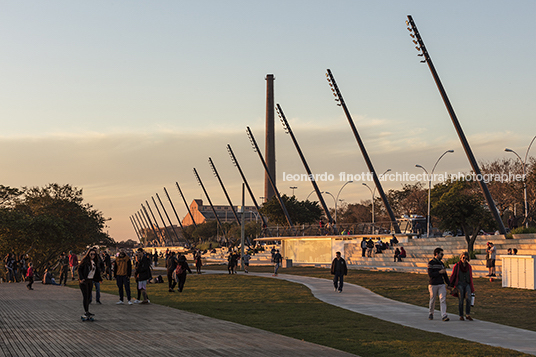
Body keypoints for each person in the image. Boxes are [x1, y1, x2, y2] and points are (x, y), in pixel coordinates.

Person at [449, 252, 475, 321]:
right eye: (463, 258)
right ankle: (461, 315)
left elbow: (470, 277)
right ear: (461, 258)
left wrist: (472, 287)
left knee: (468, 298)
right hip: (459, 283)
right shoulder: (457, 265)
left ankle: (467, 314)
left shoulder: (468, 266)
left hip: (467, 283)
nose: (464, 259)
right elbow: (453, 275)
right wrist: (450, 285)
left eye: (466, 258)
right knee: (461, 300)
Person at [77, 248, 101, 319]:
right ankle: (86, 311)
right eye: (91, 254)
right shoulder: (85, 261)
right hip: (85, 281)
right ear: (88, 254)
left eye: (94, 254)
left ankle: (87, 311)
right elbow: (79, 269)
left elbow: (96, 272)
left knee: (89, 297)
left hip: (90, 281)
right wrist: (81, 278)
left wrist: (99, 279)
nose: (93, 255)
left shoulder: (94, 262)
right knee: (86, 296)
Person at [428, 247, 450, 321]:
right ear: (436, 254)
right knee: (432, 299)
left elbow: (445, 275)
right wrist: (439, 272)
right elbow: (430, 274)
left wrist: (449, 284)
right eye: (441, 254)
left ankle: (444, 315)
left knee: (442, 299)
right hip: (433, 284)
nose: (442, 256)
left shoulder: (441, 264)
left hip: (441, 284)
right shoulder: (431, 263)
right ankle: (431, 313)